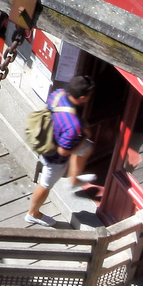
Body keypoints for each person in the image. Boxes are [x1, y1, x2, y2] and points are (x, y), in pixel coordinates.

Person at [26, 75, 96, 225]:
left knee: (87, 148)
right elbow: (63, 152)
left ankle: (74, 179)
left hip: (46, 135)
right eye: (89, 96)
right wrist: (83, 136)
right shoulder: (73, 127)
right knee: (45, 184)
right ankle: (33, 213)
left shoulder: (58, 94)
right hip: (54, 158)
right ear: (82, 97)